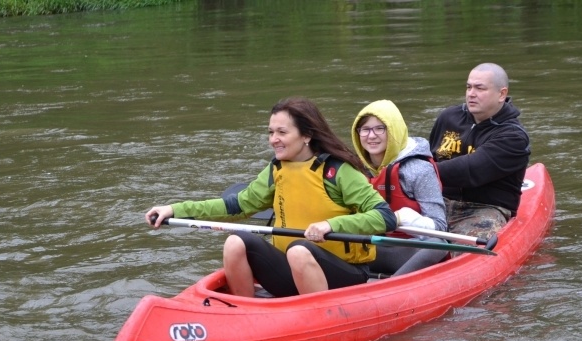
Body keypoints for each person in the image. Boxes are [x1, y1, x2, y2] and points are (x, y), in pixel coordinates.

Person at [145, 97, 396, 298]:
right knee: (236, 242)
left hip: (343, 274)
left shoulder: (338, 171)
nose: (273, 139)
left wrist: (331, 225)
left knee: (298, 250)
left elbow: (384, 217)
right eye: (271, 132)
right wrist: (175, 209)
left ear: (306, 135)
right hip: (294, 269)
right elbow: (237, 205)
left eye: (282, 132)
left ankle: (320, 317)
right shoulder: (277, 169)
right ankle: (246, 313)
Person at [428, 62, 531, 241]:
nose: (471, 94)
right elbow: (431, 156)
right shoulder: (448, 117)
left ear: (501, 94)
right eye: (468, 87)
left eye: (480, 88)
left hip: (485, 209)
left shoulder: (513, 136)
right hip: (440, 202)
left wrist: (419, 171)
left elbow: (471, 170)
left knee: (465, 248)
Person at [351, 99, 449, 275]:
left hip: (410, 250)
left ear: (394, 130)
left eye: (380, 128)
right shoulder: (354, 168)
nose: (371, 136)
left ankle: (391, 287)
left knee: (438, 245)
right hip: (373, 246)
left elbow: (440, 227)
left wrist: (401, 217)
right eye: (365, 129)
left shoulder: (417, 169)